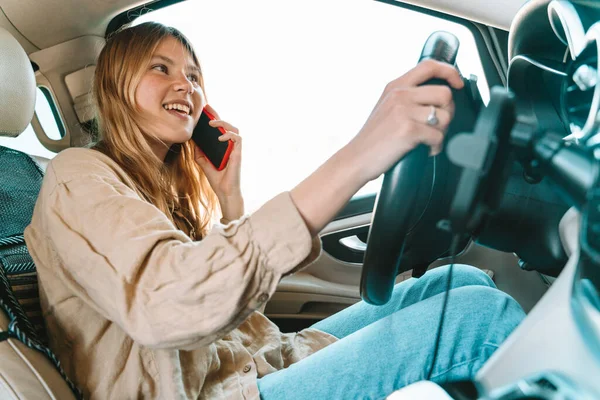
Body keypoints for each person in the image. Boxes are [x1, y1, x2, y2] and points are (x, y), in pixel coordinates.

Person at [24, 22, 525, 399]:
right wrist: (364, 152)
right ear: (115, 86)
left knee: (457, 283)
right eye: (161, 68)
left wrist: (229, 197)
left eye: (194, 76)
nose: (188, 87)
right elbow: (172, 306)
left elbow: (229, 313)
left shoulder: (152, 194)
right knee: (474, 319)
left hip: (243, 365)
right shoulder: (77, 176)